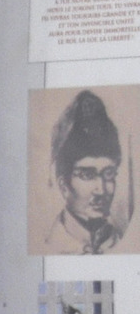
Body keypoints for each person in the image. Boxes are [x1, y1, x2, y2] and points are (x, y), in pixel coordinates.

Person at [44, 89, 127, 254]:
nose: (101, 190)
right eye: (87, 175)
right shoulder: (52, 244)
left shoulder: (118, 241)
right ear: (64, 186)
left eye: (108, 174)